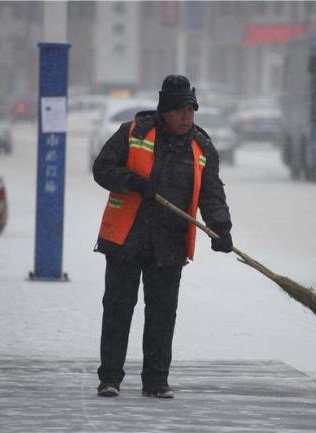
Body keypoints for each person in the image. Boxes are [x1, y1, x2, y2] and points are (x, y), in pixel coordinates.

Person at [92, 75, 233, 399]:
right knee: (117, 310)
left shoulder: (202, 147)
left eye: (191, 110)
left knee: (161, 315)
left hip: (169, 243)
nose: (187, 117)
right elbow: (102, 169)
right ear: (165, 111)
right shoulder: (133, 133)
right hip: (126, 237)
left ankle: (156, 382)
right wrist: (133, 182)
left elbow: (212, 193)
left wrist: (221, 228)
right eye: (181, 110)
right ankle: (110, 378)